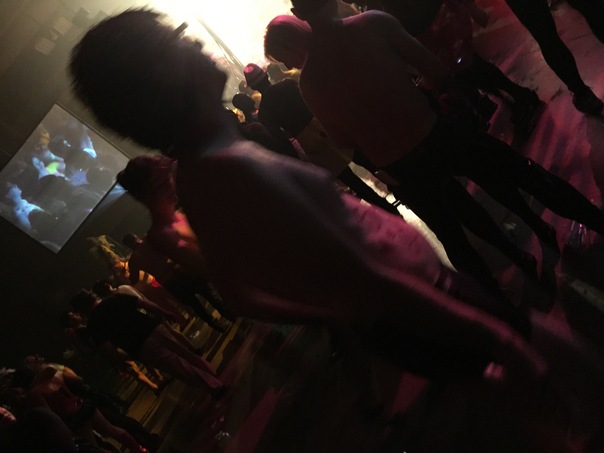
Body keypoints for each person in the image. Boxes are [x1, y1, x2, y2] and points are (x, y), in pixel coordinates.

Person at [67, 9, 604, 447]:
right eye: (178, 41)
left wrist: (336, 308)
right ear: (166, 78)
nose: (193, 44)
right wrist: (494, 334)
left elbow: (240, 293)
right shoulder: (236, 166)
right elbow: (371, 275)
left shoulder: (198, 176)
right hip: (431, 302)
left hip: (399, 320)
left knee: (542, 411)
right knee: (572, 386)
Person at [69, 289, 225, 397]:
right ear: (92, 297)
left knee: (178, 366)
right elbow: (144, 304)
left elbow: (107, 349)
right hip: (155, 328)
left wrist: (121, 363)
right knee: (186, 353)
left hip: (141, 346)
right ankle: (212, 373)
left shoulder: (93, 325)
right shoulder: (114, 299)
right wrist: (164, 312)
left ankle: (213, 386)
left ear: (82, 308)